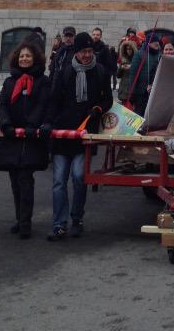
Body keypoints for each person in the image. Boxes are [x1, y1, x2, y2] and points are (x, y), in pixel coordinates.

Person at [47, 31, 112, 241]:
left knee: (78, 177)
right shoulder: (65, 72)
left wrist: (98, 109)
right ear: (76, 52)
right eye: (83, 51)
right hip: (62, 134)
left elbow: (108, 99)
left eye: (90, 51)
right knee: (59, 181)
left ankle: (77, 218)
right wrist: (49, 123)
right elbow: (53, 100)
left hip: (84, 135)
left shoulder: (100, 72)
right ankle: (59, 224)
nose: (87, 55)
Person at [0, 41, 51, 239]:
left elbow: (43, 104)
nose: (24, 59)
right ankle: (19, 219)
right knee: (14, 180)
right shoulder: (10, 82)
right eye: (22, 56)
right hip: (12, 136)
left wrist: (31, 126)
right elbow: (2, 105)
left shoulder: (43, 81)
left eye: (28, 56)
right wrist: (6, 124)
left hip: (31, 136)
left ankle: (26, 222)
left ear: (35, 58)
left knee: (25, 179)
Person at [128, 36, 162, 116]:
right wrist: (132, 91)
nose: (157, 46)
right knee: (140, 114)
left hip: (154, 91)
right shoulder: (139, 54)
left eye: (158, 44)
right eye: (155, 44)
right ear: (149, 44)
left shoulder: (159, 55)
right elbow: (133, 74)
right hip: (141, 92)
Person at [116, 39, 138, 105]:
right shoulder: (123, 60)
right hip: (124, 89)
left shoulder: (137, 60)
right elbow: (118, 75)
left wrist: (131, 67)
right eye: (127, 49)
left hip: (133, 89)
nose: (129, 51)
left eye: (130, 49)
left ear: (133, 49)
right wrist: (121, 68)